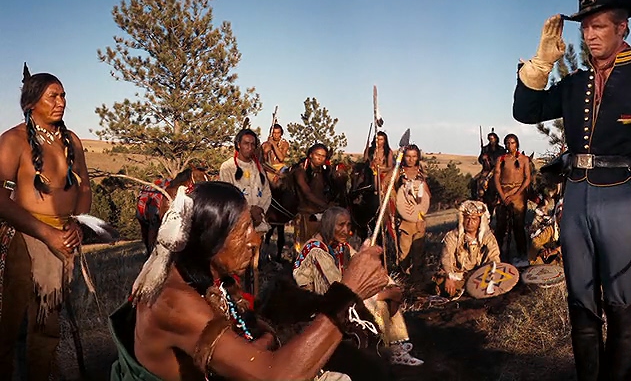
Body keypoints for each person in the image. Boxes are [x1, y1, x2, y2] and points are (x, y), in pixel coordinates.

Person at [512, 0, 631, 381]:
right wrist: (540, 63)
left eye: (599, 26)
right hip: (574, 199)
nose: (590, 35)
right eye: (584, 28)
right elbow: (526, 111)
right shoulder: (575, 83)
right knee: (580, 299)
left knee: (621, 301)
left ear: (622, 26)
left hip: (621, 198)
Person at [109, 181, 390, 380]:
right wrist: (347, 293)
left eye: (252, 228)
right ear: (210, 239)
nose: (255, 241)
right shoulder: (175, 301)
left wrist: (265, 339)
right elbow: (276, 377)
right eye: (243, 230)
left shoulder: (209, 278)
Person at [0, 65, 89, 381]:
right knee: (7, 323)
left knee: (46, 324)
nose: (61, 101)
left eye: (63, 95)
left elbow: (85, 188)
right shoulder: (13, 140)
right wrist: (46, 233)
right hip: (24, 240)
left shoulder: (72, 140)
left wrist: (76, 224)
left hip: (63, 240)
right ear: (30, 103)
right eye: (53, 95)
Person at [295, 207, 422, 366]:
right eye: (340, 225)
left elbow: (362, 262)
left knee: (389, 294)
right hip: (319, 302)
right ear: (328, 225)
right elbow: (339, 287)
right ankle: (384, 350)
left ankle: (395, 346)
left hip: (339, 294)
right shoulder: (316, 250)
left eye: (348, 225)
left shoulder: (341, 246)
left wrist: (389, 284)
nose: (345, 230)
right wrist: (379, 295)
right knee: (379, 304)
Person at [433, 200, 501, 298]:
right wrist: (449, 277)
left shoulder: (488, 238)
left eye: (474, 219)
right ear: (462, 219)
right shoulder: (452, 236)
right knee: (444, 287)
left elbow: (494, 259)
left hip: (479, 276)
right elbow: (446, 259)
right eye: (467, 218)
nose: (470, 222)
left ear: (480, 221)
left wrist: (487, 276)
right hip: (457, 276)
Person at [220, 129, 272, 235]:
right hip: (236, 224)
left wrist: (259, 209)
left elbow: (266, 192)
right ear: (238, 145)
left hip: (258, 223)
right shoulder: (228, 167)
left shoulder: (258, 168)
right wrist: (249, 211)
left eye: (253, 144)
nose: (250, 147)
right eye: (246, 143)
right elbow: (227, 197)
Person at [495, 134, 533, 266]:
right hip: (503, 193)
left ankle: (522, 255)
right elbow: (496, 176)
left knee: (518, 226)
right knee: (500, 226)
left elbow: (527, 178)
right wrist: (502, 195)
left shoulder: (524, 159)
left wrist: (516, 195)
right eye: (507, 143)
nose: (509, 145)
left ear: (517, 144)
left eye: (512, 143)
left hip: (518, 194)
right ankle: (497, 254)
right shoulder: (501, 159)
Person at [392, 144, 430, 269]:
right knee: (404, 252)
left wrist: (421, 197)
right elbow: (387, 187)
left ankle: (418, 281)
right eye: (408, 156)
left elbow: (427, 195)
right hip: (404, 220)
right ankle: (404, 280)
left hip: (419, 217)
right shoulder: (398, 171)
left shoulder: (421, 172)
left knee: (419, 252)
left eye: (414, 156)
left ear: (418, 157)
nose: (411, 159)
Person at [294, 144, 337, 251]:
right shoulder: (300, 171)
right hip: (306, 215)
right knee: (304, 250)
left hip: (322, 215)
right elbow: (307, 193)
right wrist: (326, 206)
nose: (320, 158)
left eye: (323, 156)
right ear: (310, 155)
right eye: (317, 154)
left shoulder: (325, 172)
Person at [365, 131, 395, 195]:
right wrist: (367, 147)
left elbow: (390, 167)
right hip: (371, 170)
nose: (378, 141)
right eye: (377, 139)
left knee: (376, 175)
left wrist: (381, 170)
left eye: (381, 139)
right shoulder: (371, 150)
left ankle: (378, 190)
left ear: (384, 141)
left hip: (383, 172)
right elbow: (365, 160)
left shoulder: (388, 152)